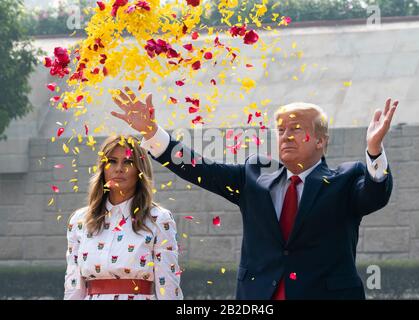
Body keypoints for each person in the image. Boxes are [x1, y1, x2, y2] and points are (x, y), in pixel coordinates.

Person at [111, 86, 398, 300]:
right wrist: (152, 132)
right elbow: (200, 168)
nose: (286, 136)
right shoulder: (253, 176)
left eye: (296, 129)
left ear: (321, 140)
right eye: (281, 129)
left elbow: (375, 194)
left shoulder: (345, 179)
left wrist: (374, 150)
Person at [64, 134, 183, 300]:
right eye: (112, 161)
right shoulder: (80, 220)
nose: (119, 168)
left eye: (128, 162)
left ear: (140, 170)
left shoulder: (159, 219)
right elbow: (73, 286)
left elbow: (168, 286)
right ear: (103, 168)